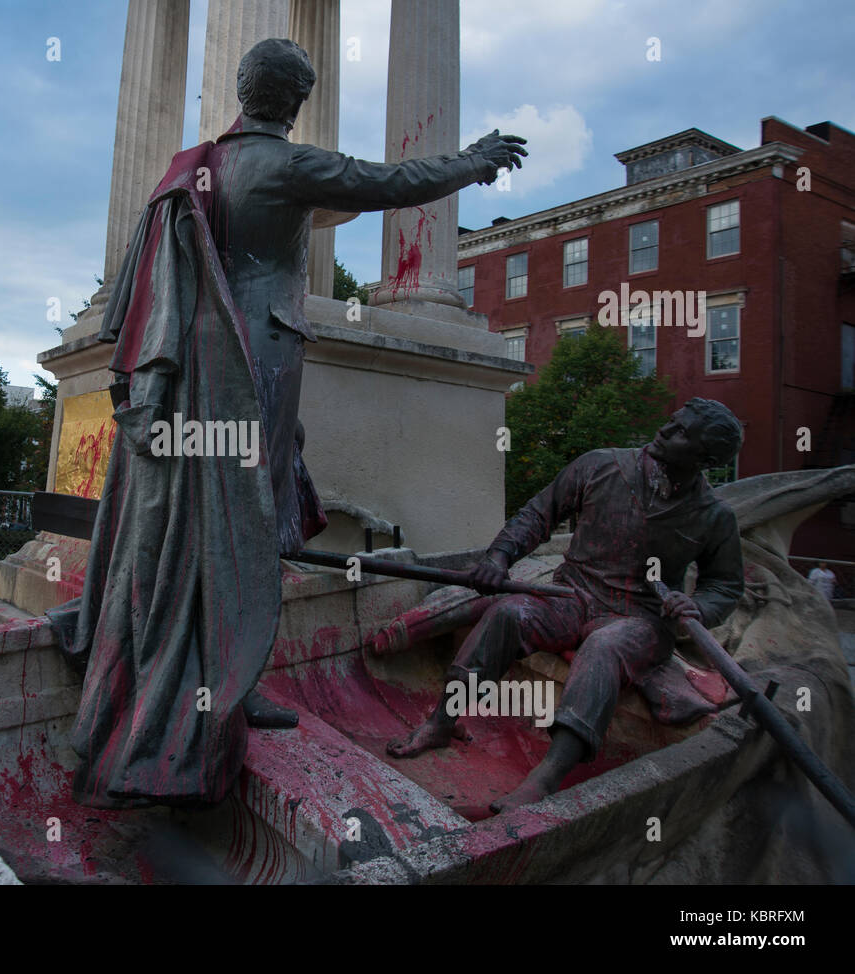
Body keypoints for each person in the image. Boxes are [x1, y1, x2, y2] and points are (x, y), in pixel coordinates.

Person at [60, 37, 529, 809]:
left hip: (200, 364)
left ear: (243, 90)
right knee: (250, 518)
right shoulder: (286, 165)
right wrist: (474, 159)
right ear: (296, 102)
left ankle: (221, 681)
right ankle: (224, 691)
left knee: (220, 517)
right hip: (260, 358)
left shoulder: (194, 167)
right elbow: (392, 181)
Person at [388, 399, 745, 812]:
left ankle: (546, 776)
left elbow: (725, 585)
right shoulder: (600, 465)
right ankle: (440, 722)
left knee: (605, 646)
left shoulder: (714, 516)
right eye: (671, 422)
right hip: (571, 596)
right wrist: (499, 557)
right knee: (508, 613)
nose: (665, 431)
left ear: (705, 458)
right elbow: (538, 515)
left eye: (682, 432)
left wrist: (697, 606)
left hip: (640, 618)